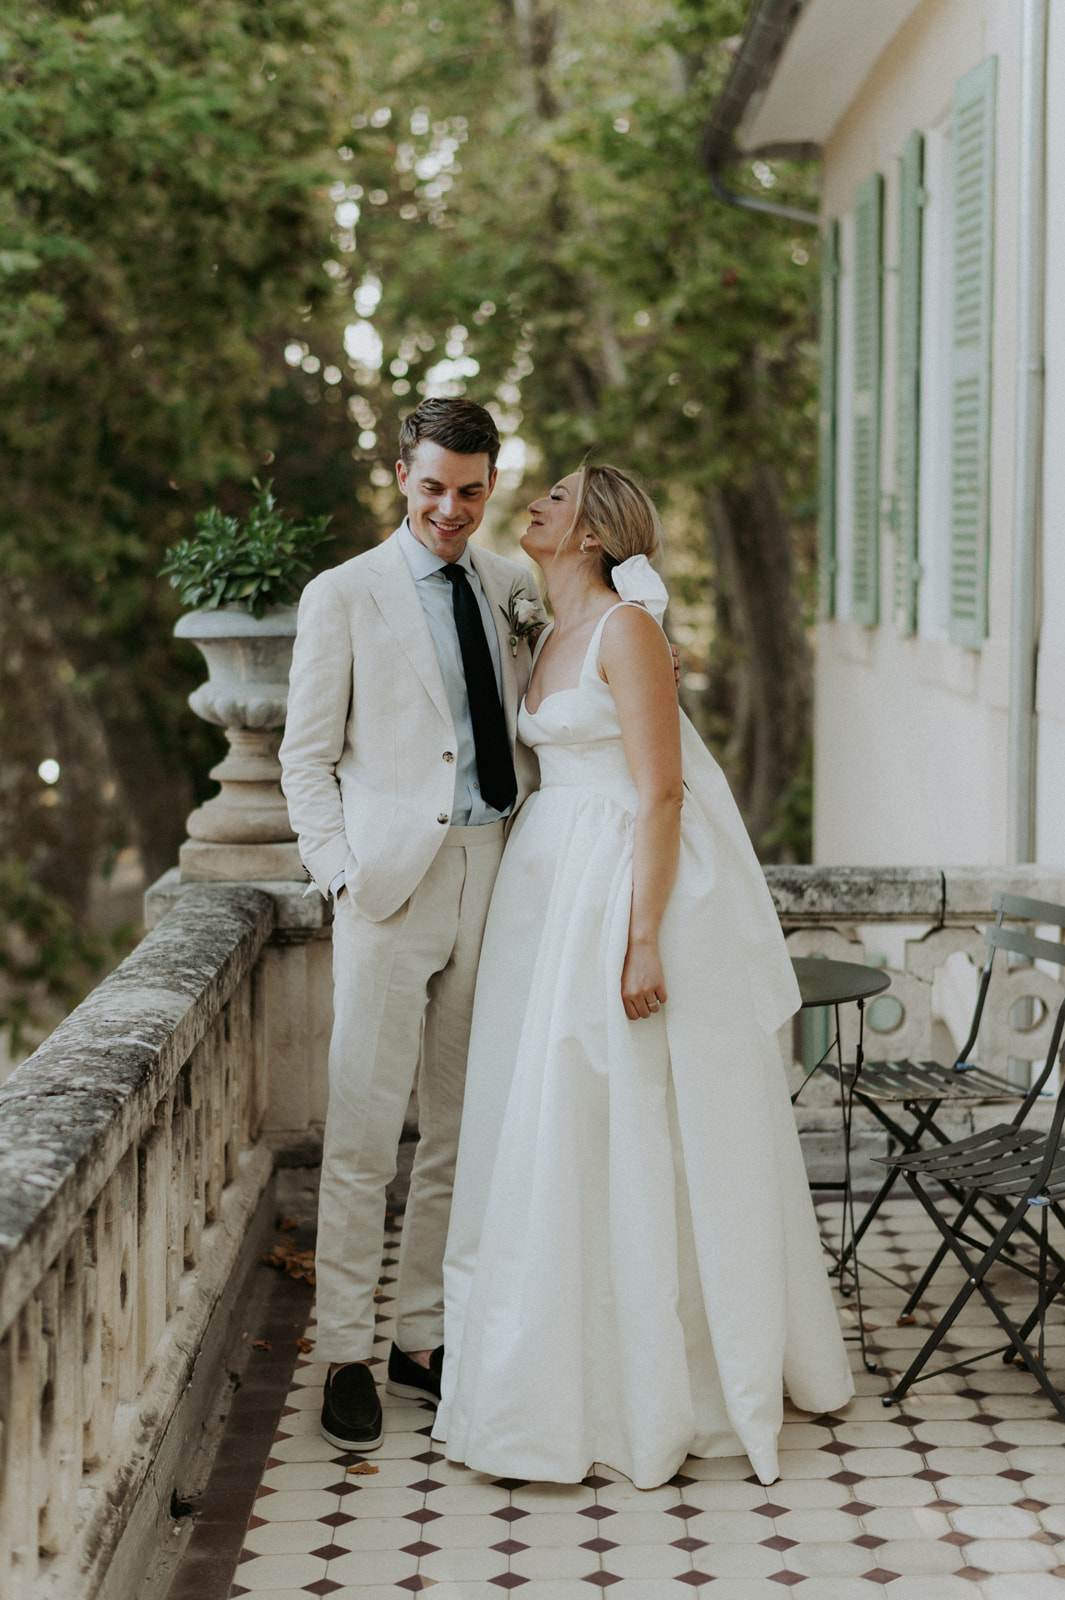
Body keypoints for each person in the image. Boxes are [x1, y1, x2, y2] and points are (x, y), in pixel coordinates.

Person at [434, 464, 854, 1490]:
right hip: (544, 898)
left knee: (627, 1120)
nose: (533, 503)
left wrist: (642, 938)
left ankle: (655, 1383)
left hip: (613, 889)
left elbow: (661, 793)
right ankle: (546, 1365)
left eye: (557, 499)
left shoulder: (628, 631)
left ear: (594, 532)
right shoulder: (543, 635)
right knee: (547, 1125)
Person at [279, 398, 543, 1452]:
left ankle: (420, 1337)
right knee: (361, 1134)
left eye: (471, 490)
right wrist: (341, 876)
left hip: (497, 872)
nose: (451, 509)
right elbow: (305, 759)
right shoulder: (342, 595)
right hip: (389, 891)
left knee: (456, 1127)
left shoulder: (512, 587)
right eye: (433, 486)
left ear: (491, 485)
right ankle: (344, 1347)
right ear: (401, 475)